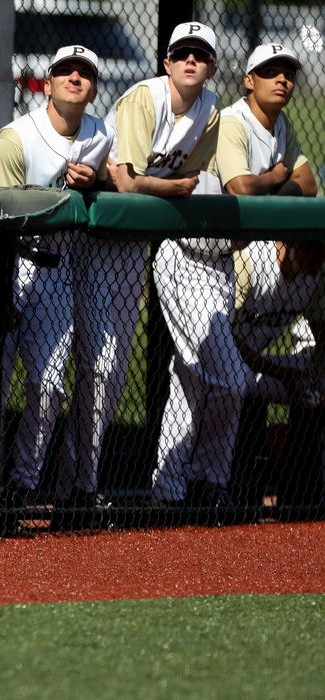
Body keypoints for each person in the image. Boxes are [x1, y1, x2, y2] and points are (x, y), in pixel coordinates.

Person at [151, 42, 317, 507]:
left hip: (222, 262)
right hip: (187, 255)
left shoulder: (281, 127)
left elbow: (309, 184)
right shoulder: (233, 121)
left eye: (287, 72)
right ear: (248, 80)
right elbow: (240, 188)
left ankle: (172, 490)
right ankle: (209, 479)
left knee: (190, 380)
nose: (281, 79)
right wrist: (278, 178)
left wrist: (277, 180)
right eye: (269, 71)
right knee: (230, 378)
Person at [70, 22, 219, 509]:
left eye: (199, 54)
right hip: (96, 239)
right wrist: (173, 189)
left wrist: (176, 186)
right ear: (167, 62)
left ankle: (76, 485)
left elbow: (195, 176)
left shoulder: (210, 110)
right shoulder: (143, 99)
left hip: (134, 248)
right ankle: (66, 484)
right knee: (94, 367)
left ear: (212, 66)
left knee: (110, 375)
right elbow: (128, 183)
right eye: (181, 53)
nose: (190, 61)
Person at [0, 46, 114, 527]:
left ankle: (19, 485)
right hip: (7, 261)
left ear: (95, 86)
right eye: (65, 71)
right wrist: (6, 294)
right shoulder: (17, 136)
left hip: (56, 268)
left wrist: (97, 181)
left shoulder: (102, 133)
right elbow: (3, 214)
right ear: (50, 80)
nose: (75, 78)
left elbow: (123, 182)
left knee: (48, 383)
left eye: (85, 72)